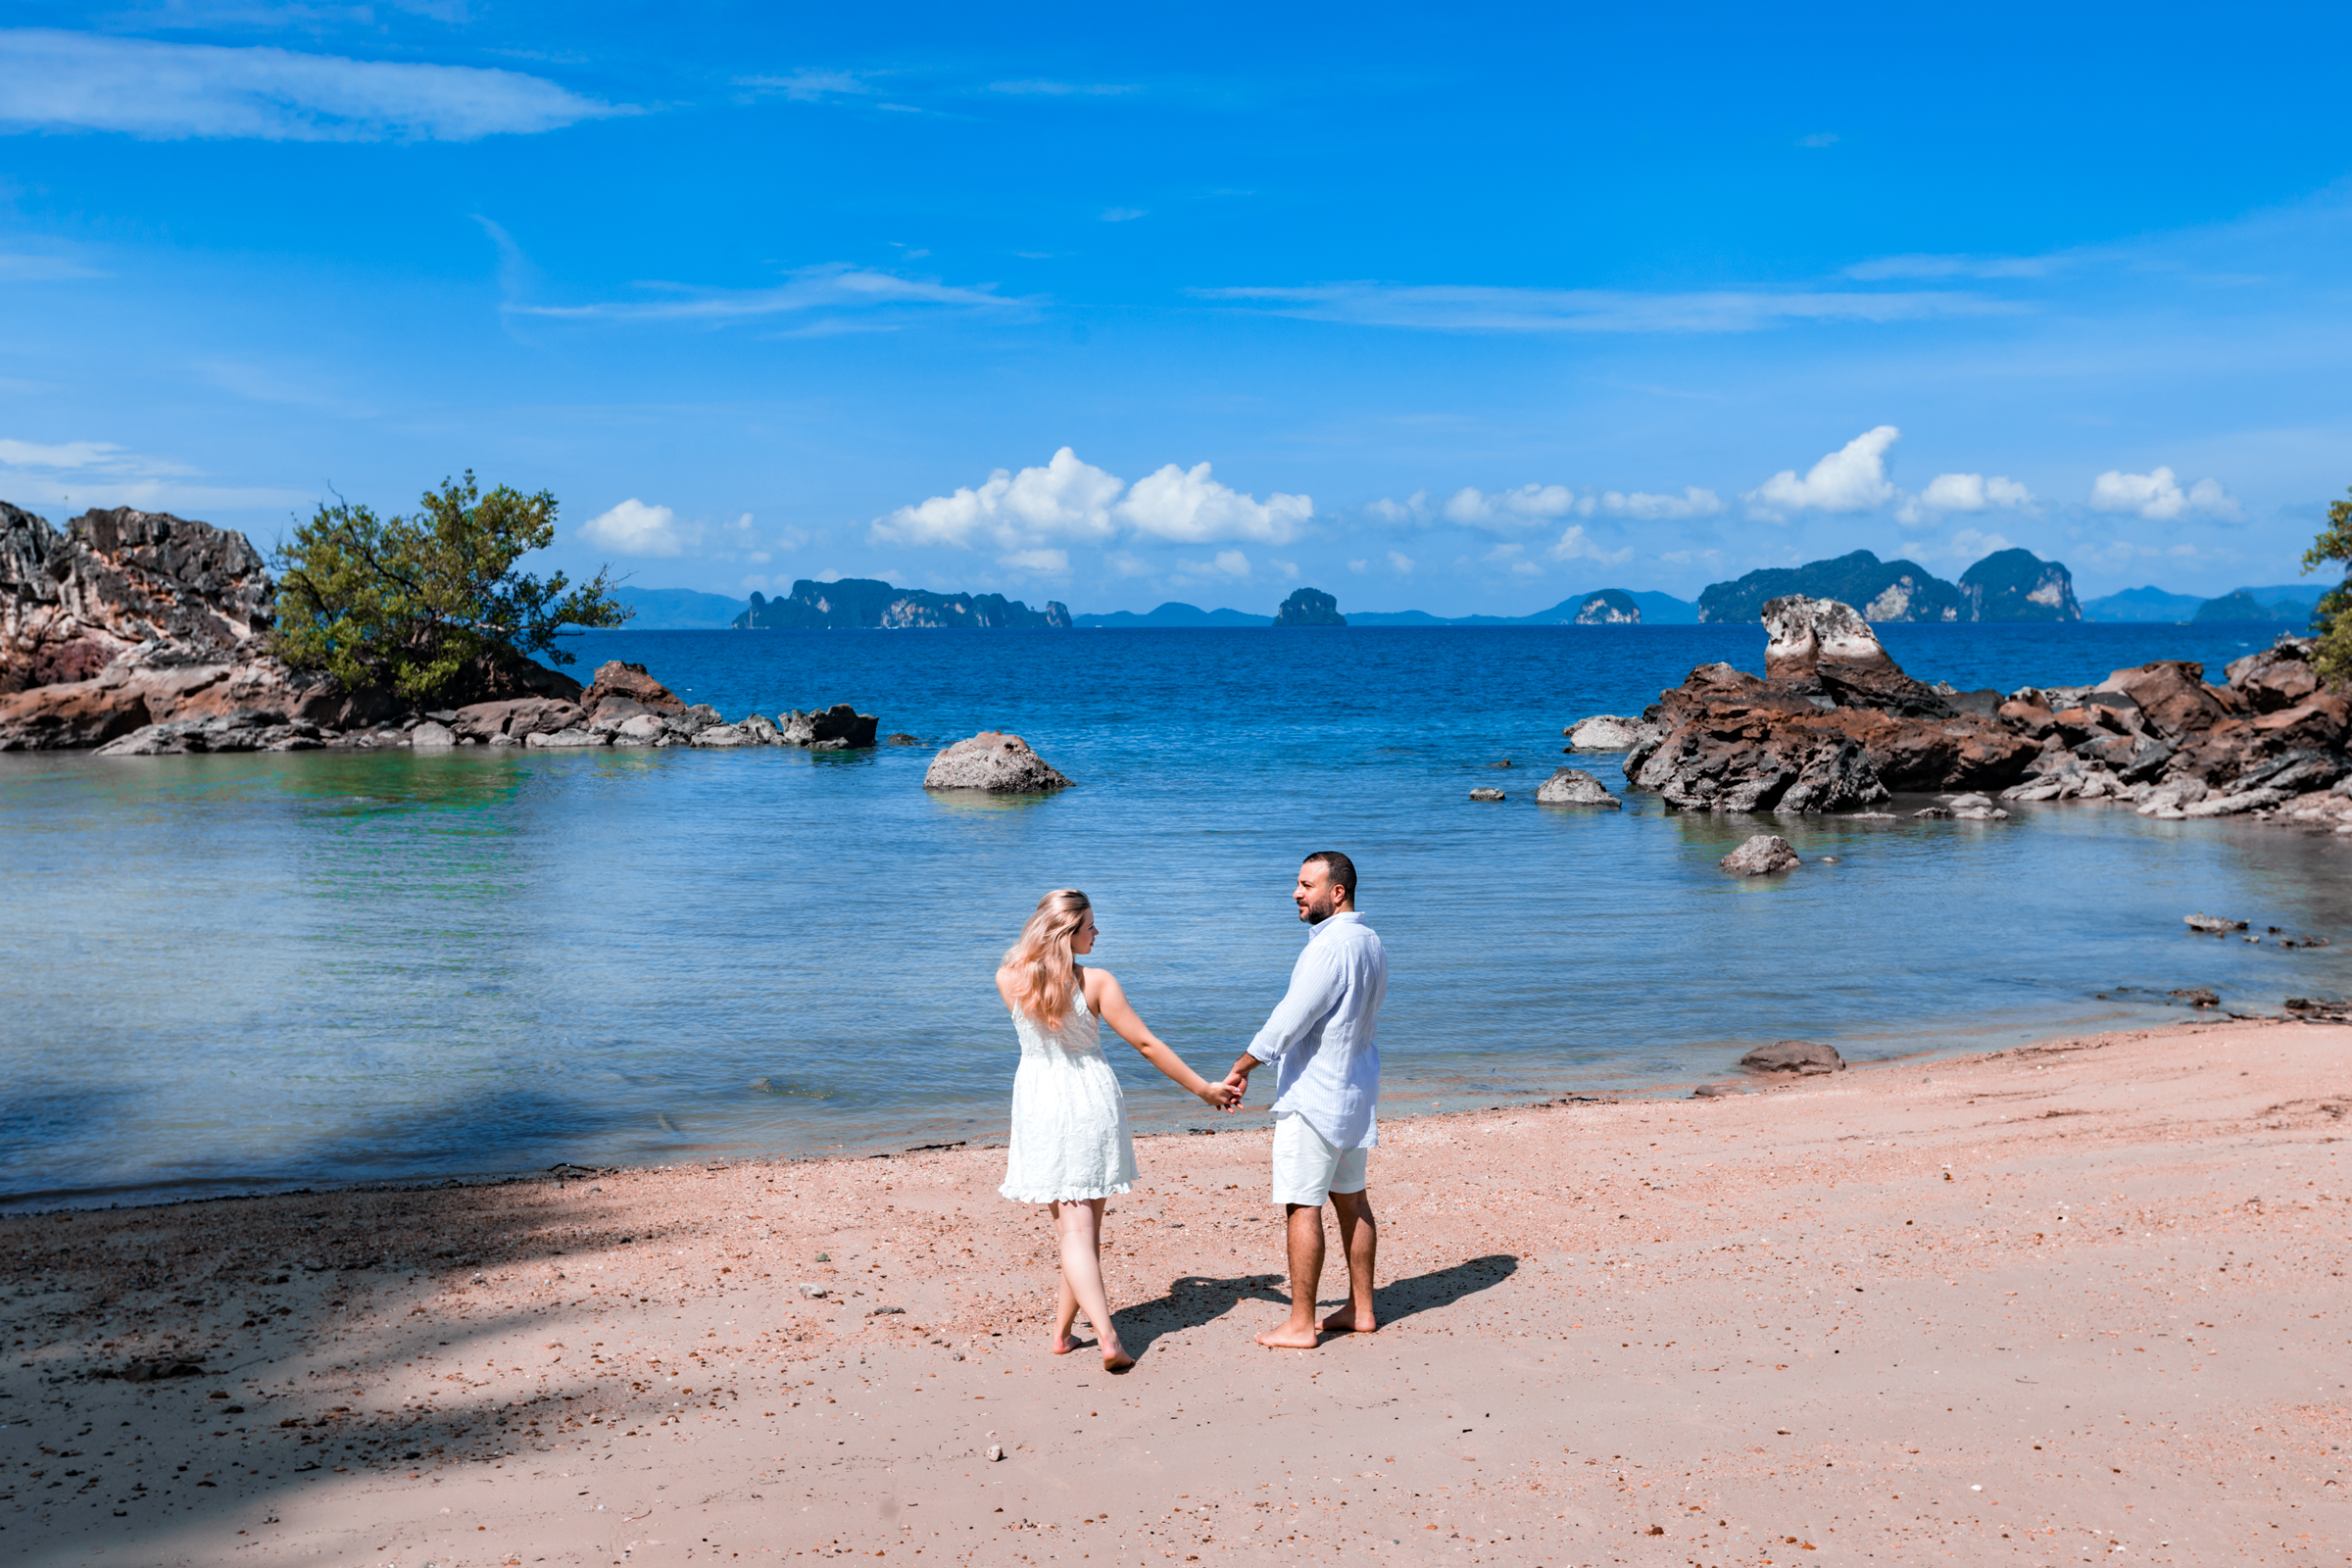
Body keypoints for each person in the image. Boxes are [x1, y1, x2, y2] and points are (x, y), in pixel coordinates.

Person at [997, 888, 1241, 1371]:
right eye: (1090, 926)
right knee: (1082, 1231)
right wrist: (1203, 1089)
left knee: (1073, 1230)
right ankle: (1108, 1337)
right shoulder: (1097, 982)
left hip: (1040, 1103)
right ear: (1067, 933)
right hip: (1089, 1099)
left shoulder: (1009, 978)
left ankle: (1063, 1333)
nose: (1098, 932)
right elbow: (1147, 1044)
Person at [1223, 851, 1387, 1350]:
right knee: (1352, 1198)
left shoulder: (1330, 947)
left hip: (1315, 1096)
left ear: (1336, 892)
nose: (1296, 892)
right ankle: (1361, 1310)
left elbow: (1291, 1018)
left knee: (1302, 1204)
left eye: (1306, 884)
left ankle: (1300, 1323)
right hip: (1355, 1088)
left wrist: (1242, 1066)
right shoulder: (1371, 940)